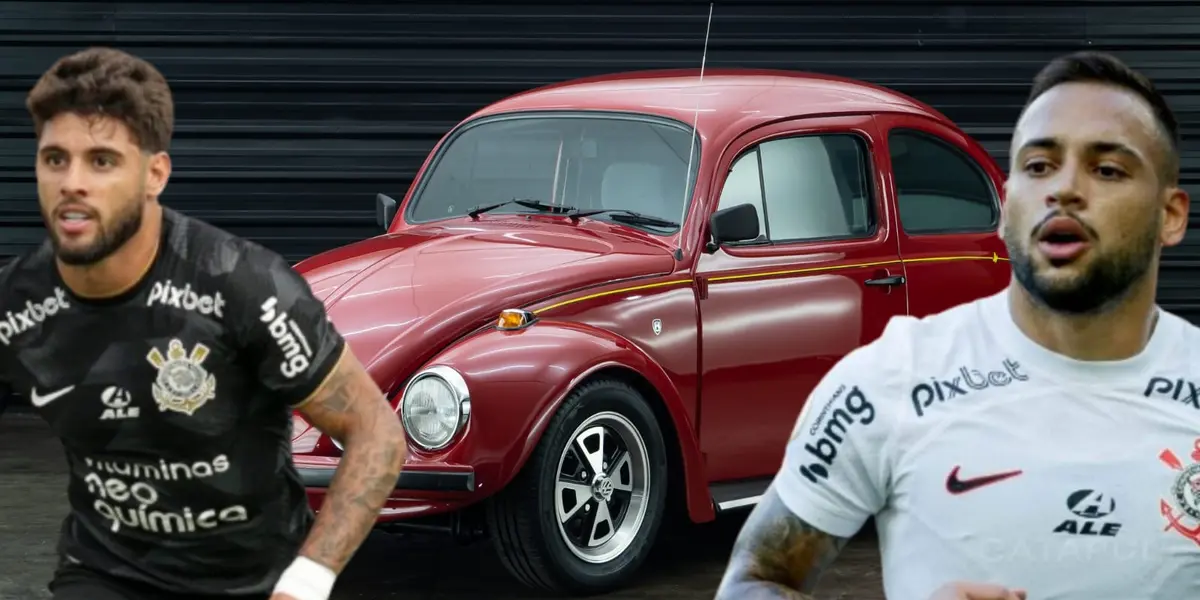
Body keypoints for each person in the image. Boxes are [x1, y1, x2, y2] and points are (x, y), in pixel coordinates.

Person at [714, 50, 1197, 600]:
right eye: (1039, 166)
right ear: (1009, 199)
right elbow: (755, 580)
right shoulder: (886, 380)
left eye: (1107, 169)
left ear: (1171, 215)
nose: (1063, 189)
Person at [0, 47, 408, 600]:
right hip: (104, 573)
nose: (73, 182)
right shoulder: (19, 301)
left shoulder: (242, 285)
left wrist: (309, 580)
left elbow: (375, 433)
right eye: (55, 159)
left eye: (101, 161)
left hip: (251, 580)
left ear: (154, 174)